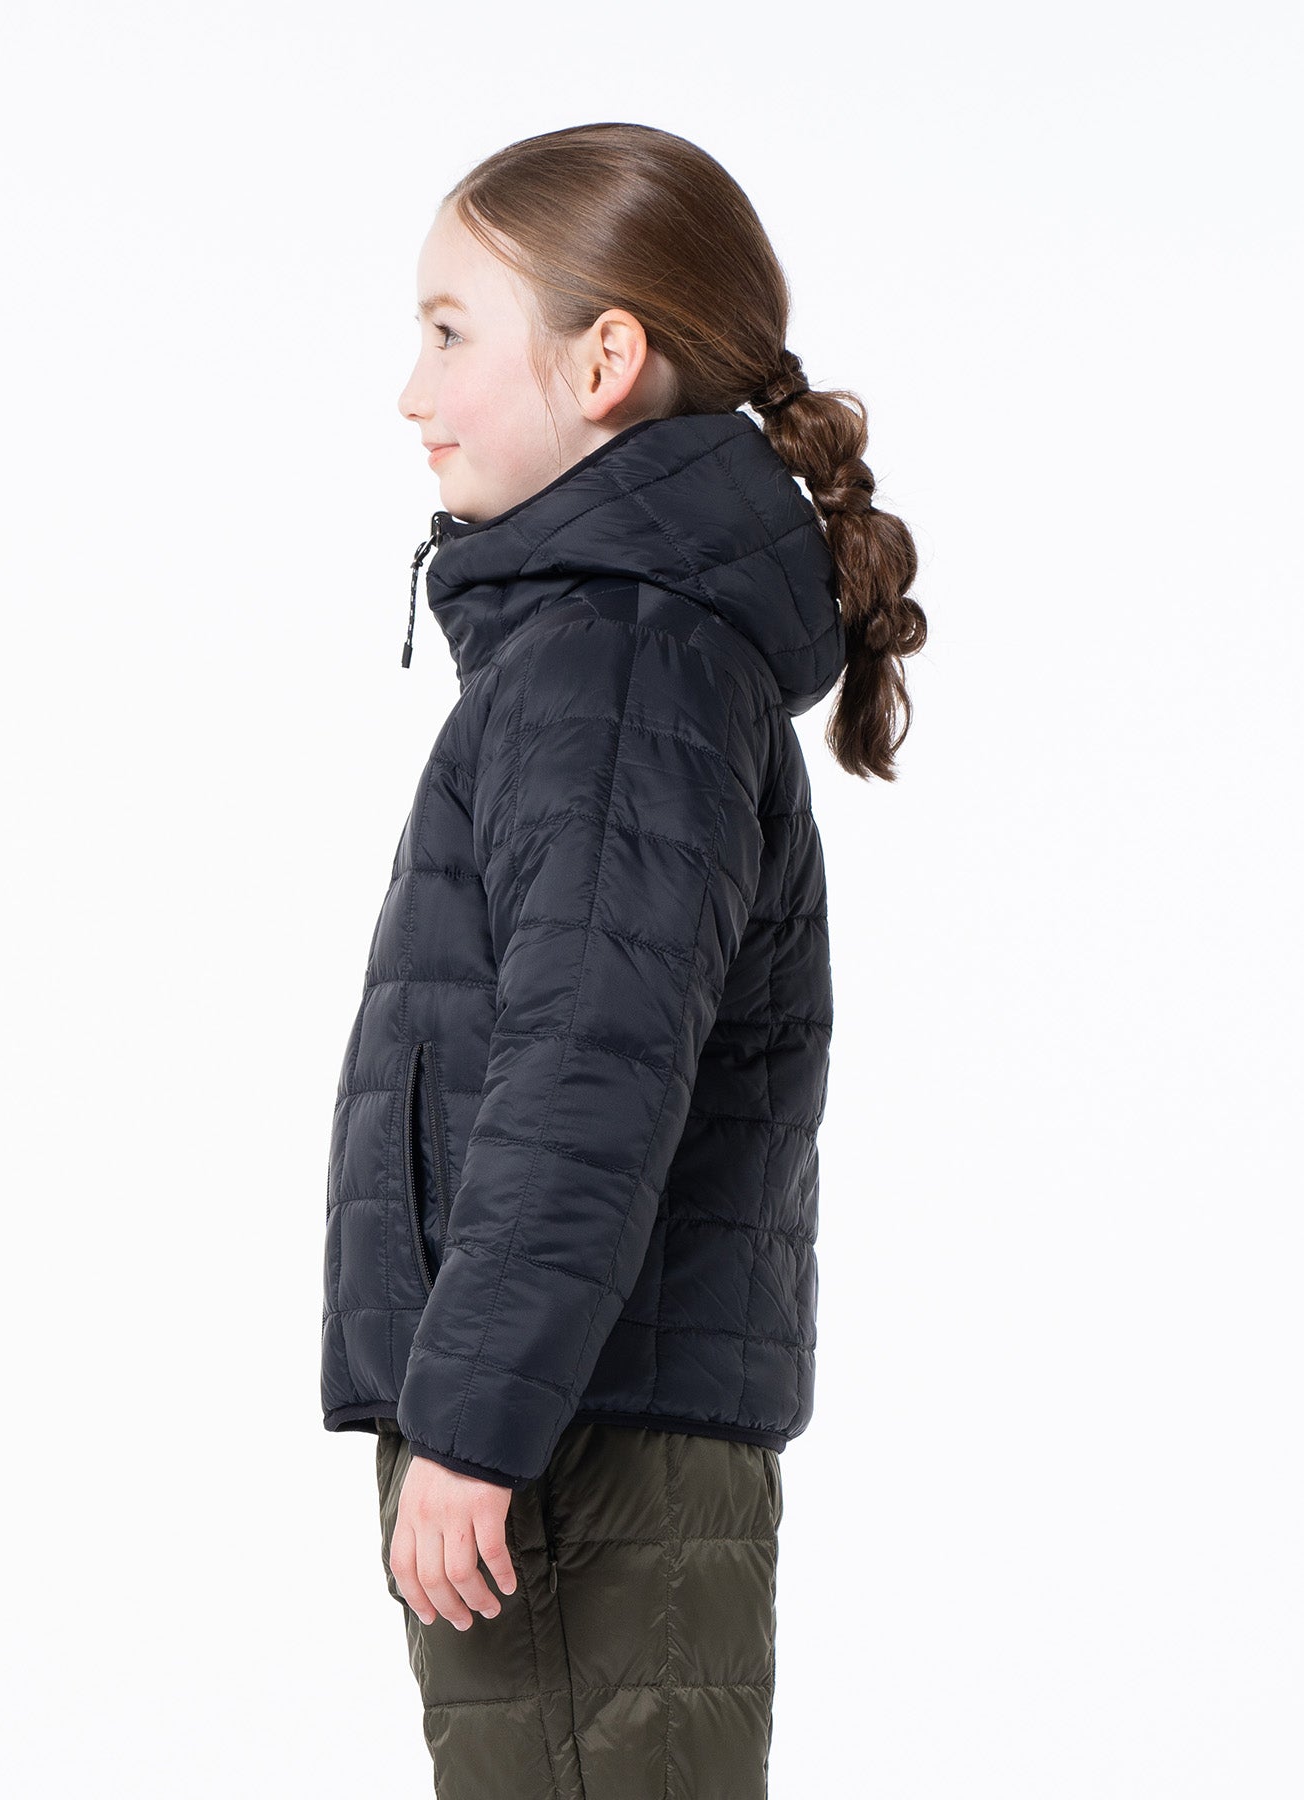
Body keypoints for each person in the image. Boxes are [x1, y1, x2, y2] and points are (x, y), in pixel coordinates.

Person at [320, 121, 926, 1799]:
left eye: (451, 330)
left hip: (571, 1439)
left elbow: (588, 1071)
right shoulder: (611, 647)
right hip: (585, 1417)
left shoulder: (620, 663)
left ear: (603, 363)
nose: (412, 389)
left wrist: (475, 1419)